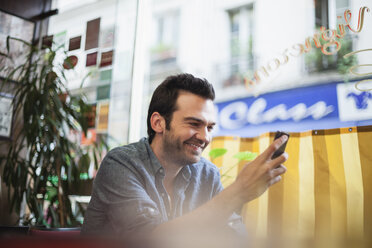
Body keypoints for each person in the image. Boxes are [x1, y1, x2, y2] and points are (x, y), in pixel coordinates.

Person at [81, 74, 288, 246]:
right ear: (158, 123)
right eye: (194, 124)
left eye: (209, 127)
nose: (205, 137)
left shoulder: (207, 174)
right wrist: (238, 191)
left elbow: (235, 236)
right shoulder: (120, 165)